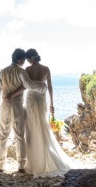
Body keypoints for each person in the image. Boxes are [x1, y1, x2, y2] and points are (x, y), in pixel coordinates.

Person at [7, 48, 72, 176]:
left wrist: (12, 94)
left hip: (31, 100)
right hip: (42, 101)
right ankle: (44, 157)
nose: (27, 62)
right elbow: (50, 87)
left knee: (30, 129)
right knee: (42, 127)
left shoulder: (28, 70)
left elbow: (24, 86)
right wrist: (52, 103)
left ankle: (32, 162)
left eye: (28, 59)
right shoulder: (46, 69)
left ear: (31, 58)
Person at [0, 48, 46, 173]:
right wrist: (42, 87)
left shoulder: (2, 71)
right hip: (17, 105)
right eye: (23, 60)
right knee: (19, 136)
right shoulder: (21, 72)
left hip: (5, 106)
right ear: (20, 60)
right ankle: (21, 165)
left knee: (3, 135)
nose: (24, 62)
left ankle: (1, 165)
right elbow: (29, 85)